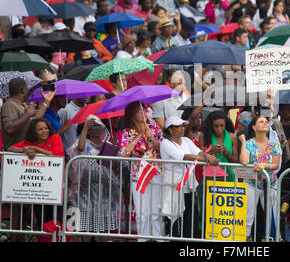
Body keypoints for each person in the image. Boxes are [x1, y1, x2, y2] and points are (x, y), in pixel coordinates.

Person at [160, 116, 218, 238]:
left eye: (183, 126)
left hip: (187, 184)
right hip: (173, 184)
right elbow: (183, 156)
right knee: (175, 215)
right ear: (170, 129)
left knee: (189, 216)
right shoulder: (165, 143)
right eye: (179, 126)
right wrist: (207, 159)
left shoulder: (186, 140)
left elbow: (197, 151)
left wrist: (207, 156)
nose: (182, 128)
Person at [66, 116, 120, 240]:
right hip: (86, 189)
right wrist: (85, 127)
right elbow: (79, 148)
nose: (96, 129)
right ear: (88, 130)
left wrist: (113, 152)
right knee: (86, 224)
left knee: (104, 225)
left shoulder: (108, 144)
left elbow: (115, 166)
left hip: (105, 190)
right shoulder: (83, 143)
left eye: (98, 127)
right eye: (92, 127)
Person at [118, 101, 164, 240]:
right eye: (140, 111)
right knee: (142, 212)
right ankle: (142, 238)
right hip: (138, 175)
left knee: (156, 210)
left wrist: (151, 137)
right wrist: (139, 135)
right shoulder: (127, 132)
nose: (144, 113)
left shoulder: (154, 127)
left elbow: (163, 149)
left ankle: (158, 238)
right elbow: (124, 153)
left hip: (155, 173)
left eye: (145, 110)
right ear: (132, 114)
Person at [238, 116, 281, 241]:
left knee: (272, 216)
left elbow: (276, 164)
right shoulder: (249, 143)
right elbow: (244, 161)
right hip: (252, 184)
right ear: (254, 127)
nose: (265, 123)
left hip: (270, 184)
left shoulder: (274, 143)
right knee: (248, 216)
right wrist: (243, 142)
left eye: (266, 122)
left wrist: (264, 165)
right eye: (261, 121)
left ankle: (274, 239)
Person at [1, 78, 55, 151]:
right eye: (27, 89)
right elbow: (10, 128)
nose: (28, 91)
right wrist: (28, 115)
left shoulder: (20, 106)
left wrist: (46, 102)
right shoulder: (9, 105)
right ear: (22, 90)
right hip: (13, 155)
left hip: (24, 153)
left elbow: (34, 121)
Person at [199, 110, 239, 181]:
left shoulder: (232, 137)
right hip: (208, 176)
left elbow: (235, 161)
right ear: (211, 125)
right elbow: (200, 161)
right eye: (216, 126)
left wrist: (226, 152)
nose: (219, 129)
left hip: (227, 176)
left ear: (225, 124)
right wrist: (212, 151)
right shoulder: (204, 136)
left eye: (222, 126)